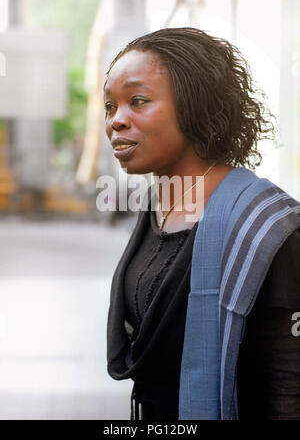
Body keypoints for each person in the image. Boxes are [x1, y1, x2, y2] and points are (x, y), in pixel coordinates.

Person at [104, 27, 300, 420]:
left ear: (194, 106)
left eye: (137, 101)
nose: (116, 121)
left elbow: (288, 384)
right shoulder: (157, 210)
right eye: (110, 107)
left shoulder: (267, 226)